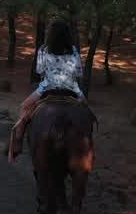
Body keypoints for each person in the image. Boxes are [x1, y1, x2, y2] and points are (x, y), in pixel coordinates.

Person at [7, 18, 83, 162]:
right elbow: (79, 72)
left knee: (23, 107)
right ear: (67, 35)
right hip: (72, 88)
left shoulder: (43, 49)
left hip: (47, 87)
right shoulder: (73, 50)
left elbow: (39, 70)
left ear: (51, 34)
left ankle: (17, 143)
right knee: (86, 113)